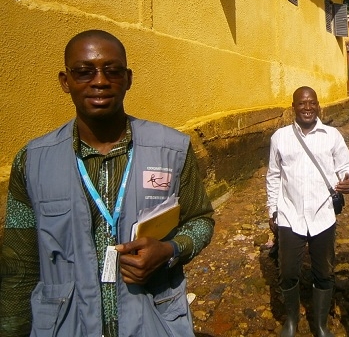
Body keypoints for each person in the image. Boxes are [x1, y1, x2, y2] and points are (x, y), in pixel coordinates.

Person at [0, 30, 214, 337]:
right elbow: (18, 268)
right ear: (65, 81)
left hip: (153, 321)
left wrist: (170, 249)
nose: (99, 81)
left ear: (127, 79)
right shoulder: (32, 161)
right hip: (64, 326)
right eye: (84, 72)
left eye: (112, 71)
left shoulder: (173, 149)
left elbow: (201, 220)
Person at [266, 86, 349, 337]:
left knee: (324, 271)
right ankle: (291, 321)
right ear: (293, 107)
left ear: (318, 106)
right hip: (289, 214)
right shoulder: (280, 137)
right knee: (288, 271)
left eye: (312, 103)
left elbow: (347, 164)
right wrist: (273, 209)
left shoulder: (332, 135)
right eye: (302, 103)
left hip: (322, 214)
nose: (307, 108)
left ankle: (320, 324)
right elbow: (274, 176)